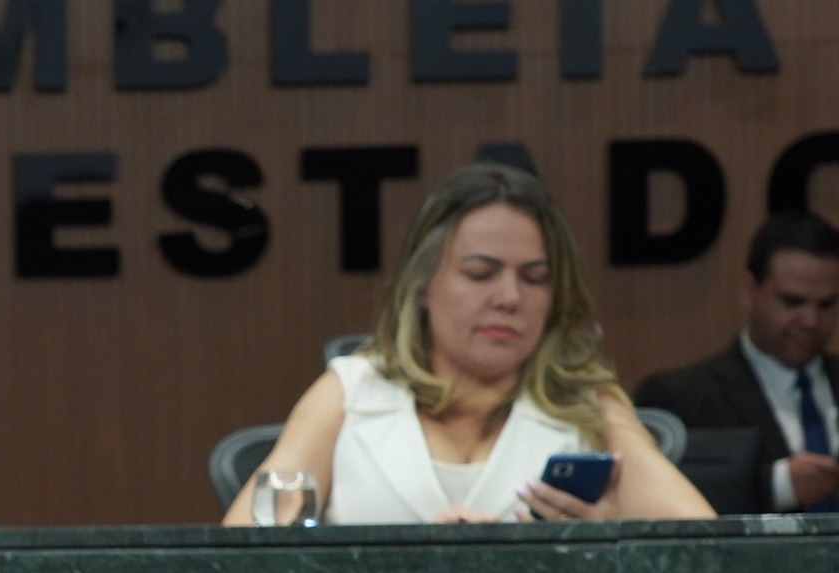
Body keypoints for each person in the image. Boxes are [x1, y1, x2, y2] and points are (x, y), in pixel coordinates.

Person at [227, 163, 710, 525]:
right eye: (480, 274)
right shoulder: (350, 391)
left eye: (535, 278)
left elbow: (707, 550)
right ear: (422, 284)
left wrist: (607, 542)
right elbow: (242, 559)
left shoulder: (585, 403)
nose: (509, 298)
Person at [635, 211, 839, 514]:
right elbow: (650, 502)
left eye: (826, 304)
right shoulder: (680, 398)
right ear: (749, 291)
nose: (810, 320)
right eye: (792, 301)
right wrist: (777, 486)